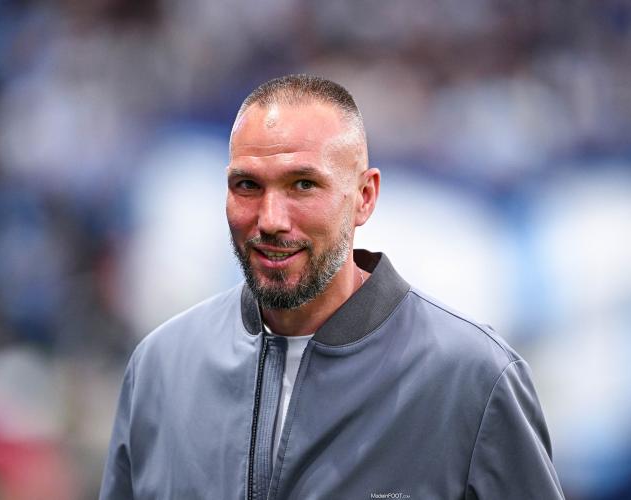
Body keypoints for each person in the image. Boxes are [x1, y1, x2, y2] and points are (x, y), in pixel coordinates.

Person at [99, 75, 564, 499]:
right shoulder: (159, 367)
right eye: (247, 185)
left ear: (364, 197)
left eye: (303, 185)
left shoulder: (474, 378)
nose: (270, 220)